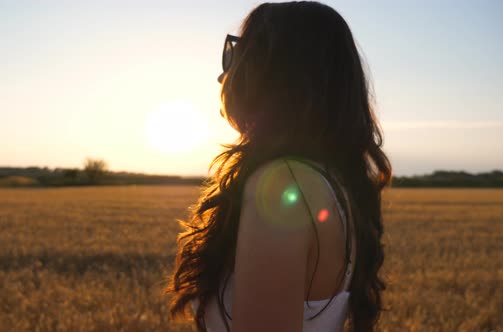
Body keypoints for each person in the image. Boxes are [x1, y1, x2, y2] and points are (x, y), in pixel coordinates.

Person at [167, 1, 391, 331]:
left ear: (271, 75)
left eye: (237, 55)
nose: (223, 74)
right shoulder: (329, 181)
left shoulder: (285, 186)